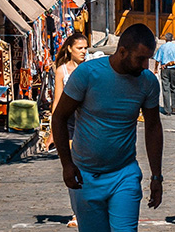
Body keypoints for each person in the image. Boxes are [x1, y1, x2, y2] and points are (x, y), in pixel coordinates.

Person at [52, 23, 164, 232]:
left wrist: (156, 176)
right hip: (85, 176)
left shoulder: (147, 82)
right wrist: (67, 164)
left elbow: (153, 127)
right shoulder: (88, 74)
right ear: (122, 52)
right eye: (140, 59)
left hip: (124, 174)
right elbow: (59, 117)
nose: (145, 66)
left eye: (148, 58)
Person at [51, 32, 89, 228]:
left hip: (89, 122)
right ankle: (77, 212)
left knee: (88, 166)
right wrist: (52, 129)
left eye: (85, 48)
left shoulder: (91, 69)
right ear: (69, 49)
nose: (84, 52)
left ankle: (90, 207)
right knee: (73, 166)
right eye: (80, 48)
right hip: (70, 122)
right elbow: (57, 101)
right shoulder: (62, 71)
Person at [153, 32, 175, 116]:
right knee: (174, 88)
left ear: (165, 39)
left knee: (166, 89)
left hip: (164, 69)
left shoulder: (162, 47)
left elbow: (157, 59)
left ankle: (167, 110)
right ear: (172, 39)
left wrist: (155, 69)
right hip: (173, 69)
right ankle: (174, 107)